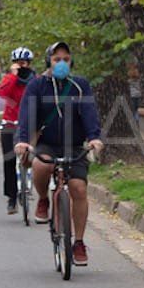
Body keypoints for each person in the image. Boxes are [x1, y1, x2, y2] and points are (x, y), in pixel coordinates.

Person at [14, 42, 105, 267]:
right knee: (41, 165)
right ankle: (43, 199)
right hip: (48, 143)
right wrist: (23, 140)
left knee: (78, 188)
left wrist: (94, 137)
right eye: (57, 59)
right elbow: (26, 113)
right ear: (49, 62)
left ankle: (79, 242)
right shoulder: (37, 85)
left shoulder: (80, 85)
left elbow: (89, 113)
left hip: (74, 145)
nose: (62, 63)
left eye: (66, 59)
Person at [0, 47, 35, 214]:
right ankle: (12, 197)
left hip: (30, 124)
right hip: (11, 123)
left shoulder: (35, 80)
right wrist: (13, 75)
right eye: (18, 63)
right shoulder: (9, 79)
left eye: (24, 63)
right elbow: (2, 93)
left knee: (37, 157)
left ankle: (30, 187)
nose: (21, 66)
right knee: (9, 160)